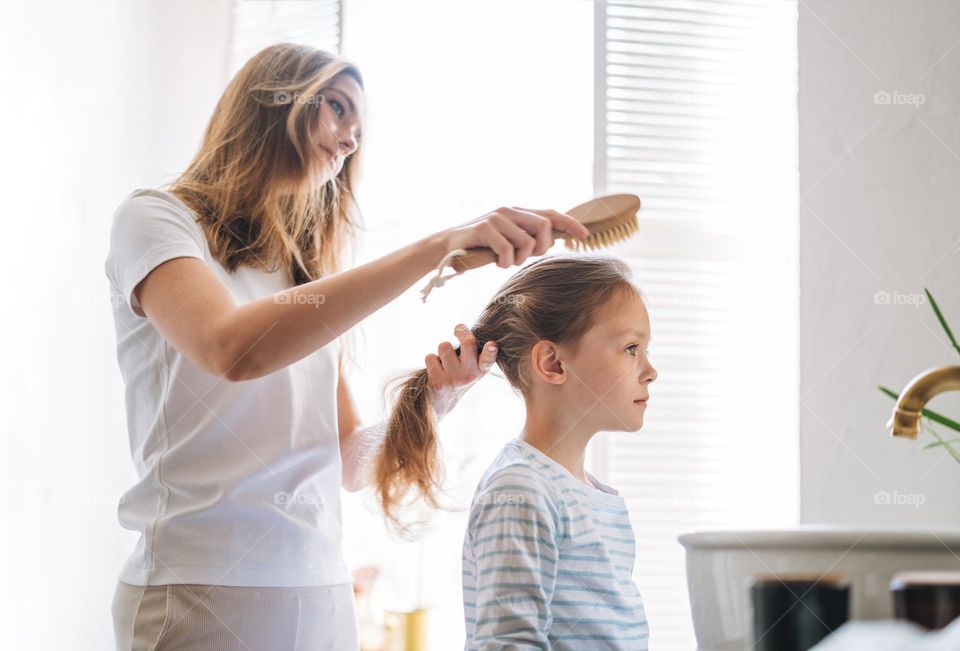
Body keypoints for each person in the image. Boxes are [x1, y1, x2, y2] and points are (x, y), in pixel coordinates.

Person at [104, 42, 591, 651]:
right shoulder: (155, 220)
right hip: (195, 589)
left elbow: (347, 462)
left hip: (319, 593)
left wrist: (434, 400)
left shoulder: (305, 280)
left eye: (358, 130)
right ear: (268, 104)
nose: (348, 140)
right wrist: (435, 247)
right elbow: (231, 349)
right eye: (336, 108)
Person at [377, 255, 656, 649]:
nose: (650, 370)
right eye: (631, 348)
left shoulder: (583, 494)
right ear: (553, 362)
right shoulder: (522, 490)